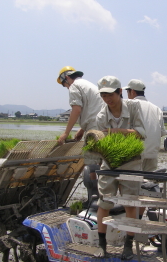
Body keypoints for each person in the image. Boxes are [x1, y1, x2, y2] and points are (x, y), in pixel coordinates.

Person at [95, 76, 146, 260]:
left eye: (110, 94)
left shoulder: (133, 107)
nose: (107, 99)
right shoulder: (101, 116)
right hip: (109, 163)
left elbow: (141, 133)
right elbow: (101, 143)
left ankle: (128, 245)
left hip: (131, 163)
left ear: (120, 92)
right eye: (103, 95)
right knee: (104, 203)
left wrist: (116, 132)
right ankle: (102, 245)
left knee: (130, 203)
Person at [56, 66, 104, 206]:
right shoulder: (88, 84)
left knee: (91, 165)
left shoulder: (74, 86)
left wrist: (66, 133)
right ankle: (102, 198)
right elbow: (92, 109)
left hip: (94, 131)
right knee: (102, 164)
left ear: (67, 78)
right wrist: (82, 130)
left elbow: (76, 109)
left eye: (64, 84)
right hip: (104, 128)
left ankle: (93, 201)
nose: (65, 87)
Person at [123, 79, 167, 172]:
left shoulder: (128, 104)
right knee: (149, 183)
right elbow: (161, 132)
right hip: (152, 154)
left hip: (135, 154)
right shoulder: (156, 109)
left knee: (131, 183)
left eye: (127, 91)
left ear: (132, 91)